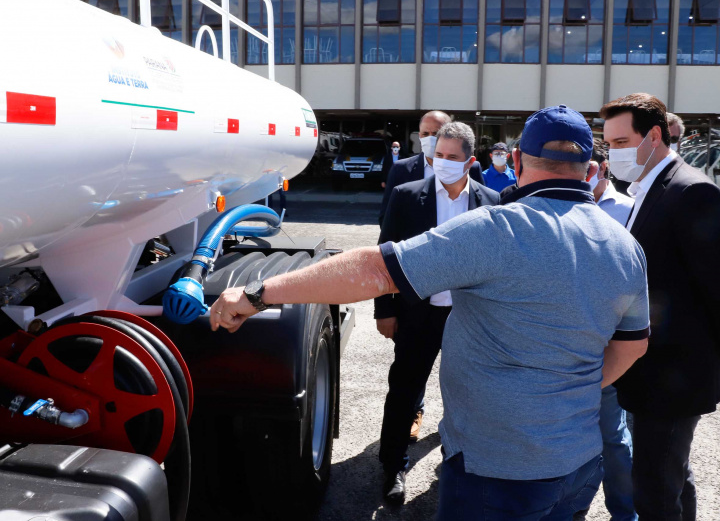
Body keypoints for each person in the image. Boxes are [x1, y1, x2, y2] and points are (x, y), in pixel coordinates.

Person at [210, 104, 651, 519]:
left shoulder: (499, 229)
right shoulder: (625, 246)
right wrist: (563, 391)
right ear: (590, 167)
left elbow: (373, 270)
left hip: (496, 468)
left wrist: (257, 293)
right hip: (579, 464)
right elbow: (633, 347)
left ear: (516, 159)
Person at [601, 93, 720, 521]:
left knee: (655, 491)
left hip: (675, 376)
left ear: (654, 135)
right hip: (649, 372)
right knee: (670, 477)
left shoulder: (691, 190)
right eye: (609, 144)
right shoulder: (645, 189)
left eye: (621, 141)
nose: (613, 153)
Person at [374, 122, 500, 504]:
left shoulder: (492, 201)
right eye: (437, 155)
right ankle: (393, 465)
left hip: (468, 317)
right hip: (418, 313)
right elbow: (384, 256)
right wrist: (385, 309)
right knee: (405, 389)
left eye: (451, 157)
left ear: (470, 161)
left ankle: (458, 464)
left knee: (468, 393)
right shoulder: (407, 196)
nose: (442, 162)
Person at [583, 138, 638, 521]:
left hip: (611, 338)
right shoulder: (561, 208)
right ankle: (573, 505)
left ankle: (624, 512)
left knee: (614, 438)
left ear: (602, 169)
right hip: (569, 336)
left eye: (588, 169)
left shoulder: (630, 209)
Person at [378, 111, 483, 225]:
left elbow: (481, 206)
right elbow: (387, 217)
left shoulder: (470, 167)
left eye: (436, 133)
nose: (430, 138)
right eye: (425, 133)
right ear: (419, 136)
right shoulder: (401, 169)